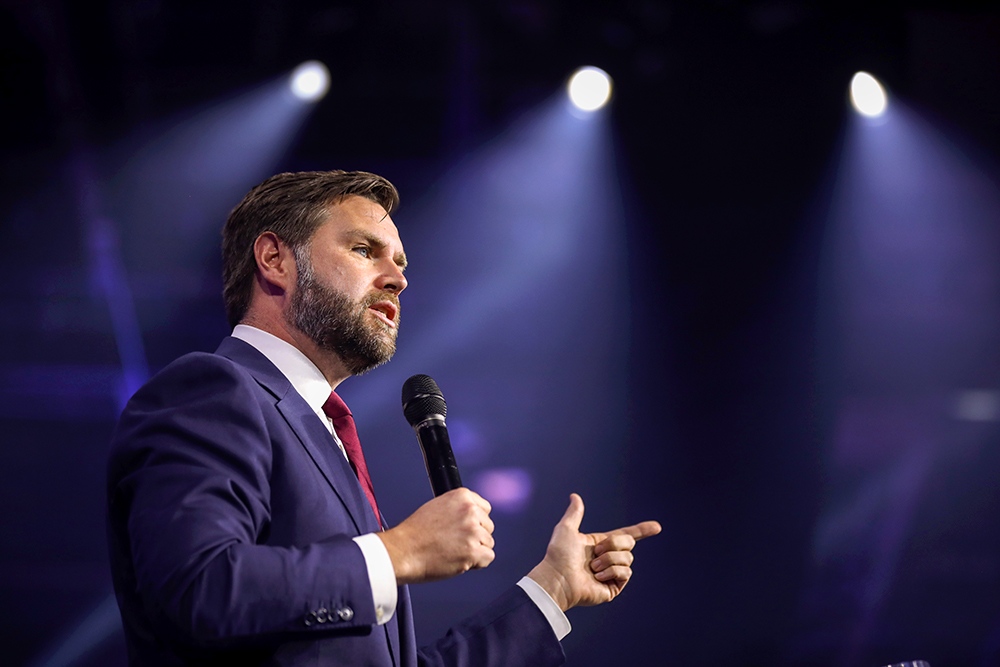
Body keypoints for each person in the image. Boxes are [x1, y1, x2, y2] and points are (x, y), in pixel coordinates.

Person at [106, 170, 661, 666]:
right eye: (365, 250)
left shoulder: (325, 436)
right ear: (275, 260)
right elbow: (198, 591)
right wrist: (401, 550)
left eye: (399, 263)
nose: (397, 279)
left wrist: (554, 588)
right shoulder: (212, 390)